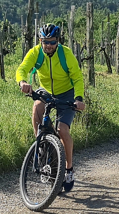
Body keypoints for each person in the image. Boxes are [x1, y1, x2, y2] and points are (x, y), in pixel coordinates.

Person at [16, 23, 85, 193]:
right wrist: (23, 82)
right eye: (45, 42)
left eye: (52, 42)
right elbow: (22, 69)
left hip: (66, 93)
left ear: (58, 41)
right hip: (46, 90)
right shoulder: (35, 53)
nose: (48, 45)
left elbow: (77, 78)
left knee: (62, 130)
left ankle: (68, 169)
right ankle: (42, 145)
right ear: (40, 40)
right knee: (37, 108)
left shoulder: (66, 54)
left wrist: (79, 99)